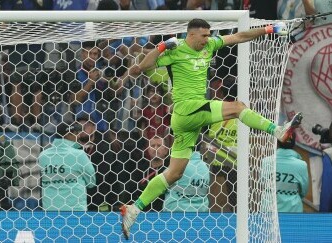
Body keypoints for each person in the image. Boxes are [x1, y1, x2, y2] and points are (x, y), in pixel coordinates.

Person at [119, 18, 303, 239]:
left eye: (209, 35)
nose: (208, 39)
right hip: (187, 109)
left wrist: (269, 29)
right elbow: (142, 67)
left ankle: (134, 208)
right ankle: (277, 131)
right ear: (191, 35)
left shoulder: (210, 46)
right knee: (237, 107)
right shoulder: (175, 50)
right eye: (204, 36)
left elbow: (239, 37)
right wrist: (161, 47)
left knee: (175, 173)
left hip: (187, 119)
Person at [38, 118, 96, 211]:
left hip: (50, 210)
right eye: (76, 132)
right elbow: (91, 182)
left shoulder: (43, 156)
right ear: (69, 134)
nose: (78, 136)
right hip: (76, 211)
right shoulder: (79, 155)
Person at [206, 76, 238, 212]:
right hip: (236, 164)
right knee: (235, 204)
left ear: (222, 92)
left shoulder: (214, 109)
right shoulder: (244, 112)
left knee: (216, 205)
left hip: (216, 163)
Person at [262, 132, 309, 212]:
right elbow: (304, 191)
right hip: (293, 211)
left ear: (277, 142)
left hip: (268, 212)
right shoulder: (301, 165)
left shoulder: (265, 161)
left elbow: (262, 184)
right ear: (294, 144)